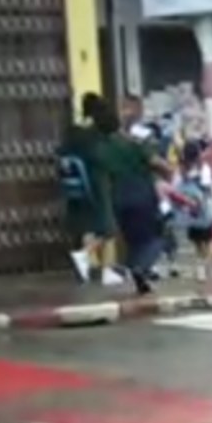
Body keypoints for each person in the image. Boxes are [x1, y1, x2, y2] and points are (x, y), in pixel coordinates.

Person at [92, 107, 171, 296]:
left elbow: (103, 178)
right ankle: (140, 268)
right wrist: (168, 175)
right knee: (158, 236)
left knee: (133, 240)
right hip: (142, 196)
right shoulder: (133, 143)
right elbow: (157, 163)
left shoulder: (101, 151)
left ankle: (138, 276)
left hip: (119, 198)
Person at [60, 94, 120, 285]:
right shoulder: (95, 133)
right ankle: (102, 267)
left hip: (77, 186)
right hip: (96, 181)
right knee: (108, 228)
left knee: (87, 226)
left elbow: (61, 152)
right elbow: (102, 157)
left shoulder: (73, 131)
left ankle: (87, 267)